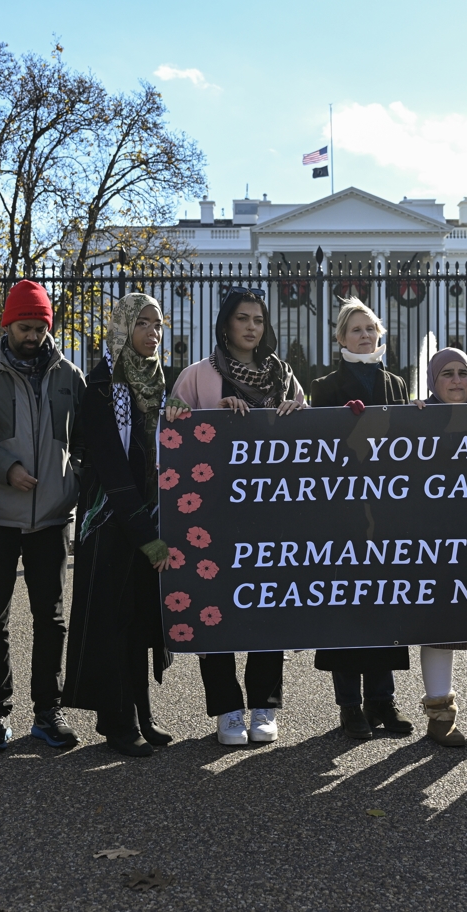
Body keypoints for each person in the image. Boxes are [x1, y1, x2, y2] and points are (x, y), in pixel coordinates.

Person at [168, 287, 305, 747]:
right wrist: (212, 416)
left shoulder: (283, 377)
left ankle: (263, 704)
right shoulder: (197, 375)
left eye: (259, 320)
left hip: (273, 512)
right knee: (214, 608)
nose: (252, 327)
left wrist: (296, 414)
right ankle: (227, 708)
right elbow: (171, 443)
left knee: (268, 604)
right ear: (226, 323)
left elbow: (315, 445)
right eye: (243, 318)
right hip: (212, 513)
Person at [0, 280, 86, 752]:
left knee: (50, 617)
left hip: (52, 518)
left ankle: (47, 712)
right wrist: (5, 468)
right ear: (7, 325)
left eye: (39, 327)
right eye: (23, 327)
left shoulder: (67, 375)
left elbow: (84, 440)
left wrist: (69, 483)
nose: (32, 335)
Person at [62, 293, 178, 757]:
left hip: (149, 518)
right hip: (112, 523)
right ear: (124, 327)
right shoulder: (102, 385)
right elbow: (111, 466)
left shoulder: (160, 382)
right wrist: (145, 535)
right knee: (114, 621)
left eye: (158, 324)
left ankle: (142, 714)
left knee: (141, 620)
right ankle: (117, 722)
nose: (153, 332)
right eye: (143, 323)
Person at [306, 298, 414, 740]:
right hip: (345, 511)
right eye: (356, 330)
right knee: (348, 608)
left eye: (371, 329)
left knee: (384, 605)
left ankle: (382, 702)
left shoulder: (395, 383)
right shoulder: (326, 386)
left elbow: (407, 444)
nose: (365, 336)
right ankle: (349, 705)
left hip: (386, 511)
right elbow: (322, 450)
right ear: (340, 338)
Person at [411, 347, 467, 747]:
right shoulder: (416, 418)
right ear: (433, 381)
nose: (456, 380)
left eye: (463, 372)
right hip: (433, 540)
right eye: (446, 373)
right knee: (437, 628)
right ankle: (439, 716)